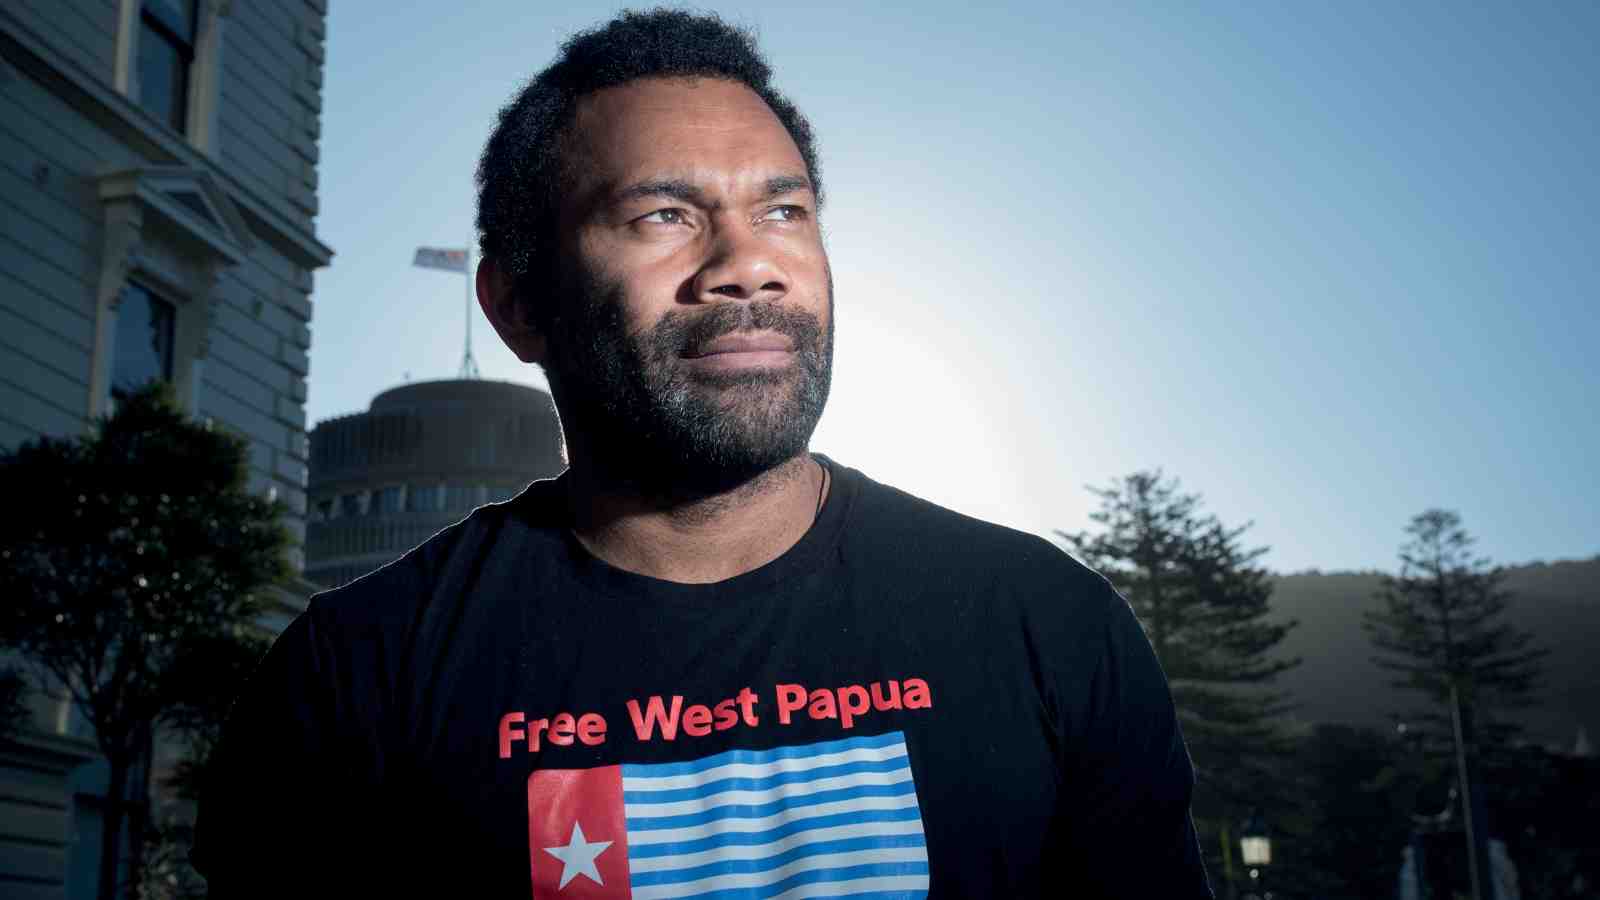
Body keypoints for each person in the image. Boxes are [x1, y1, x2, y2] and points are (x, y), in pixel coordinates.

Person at [193, 9, 1212, 898]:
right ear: (517, 306)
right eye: (663, 216)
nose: (746, 267)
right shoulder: (352, 680)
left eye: (782, 211)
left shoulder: (1048, 625)